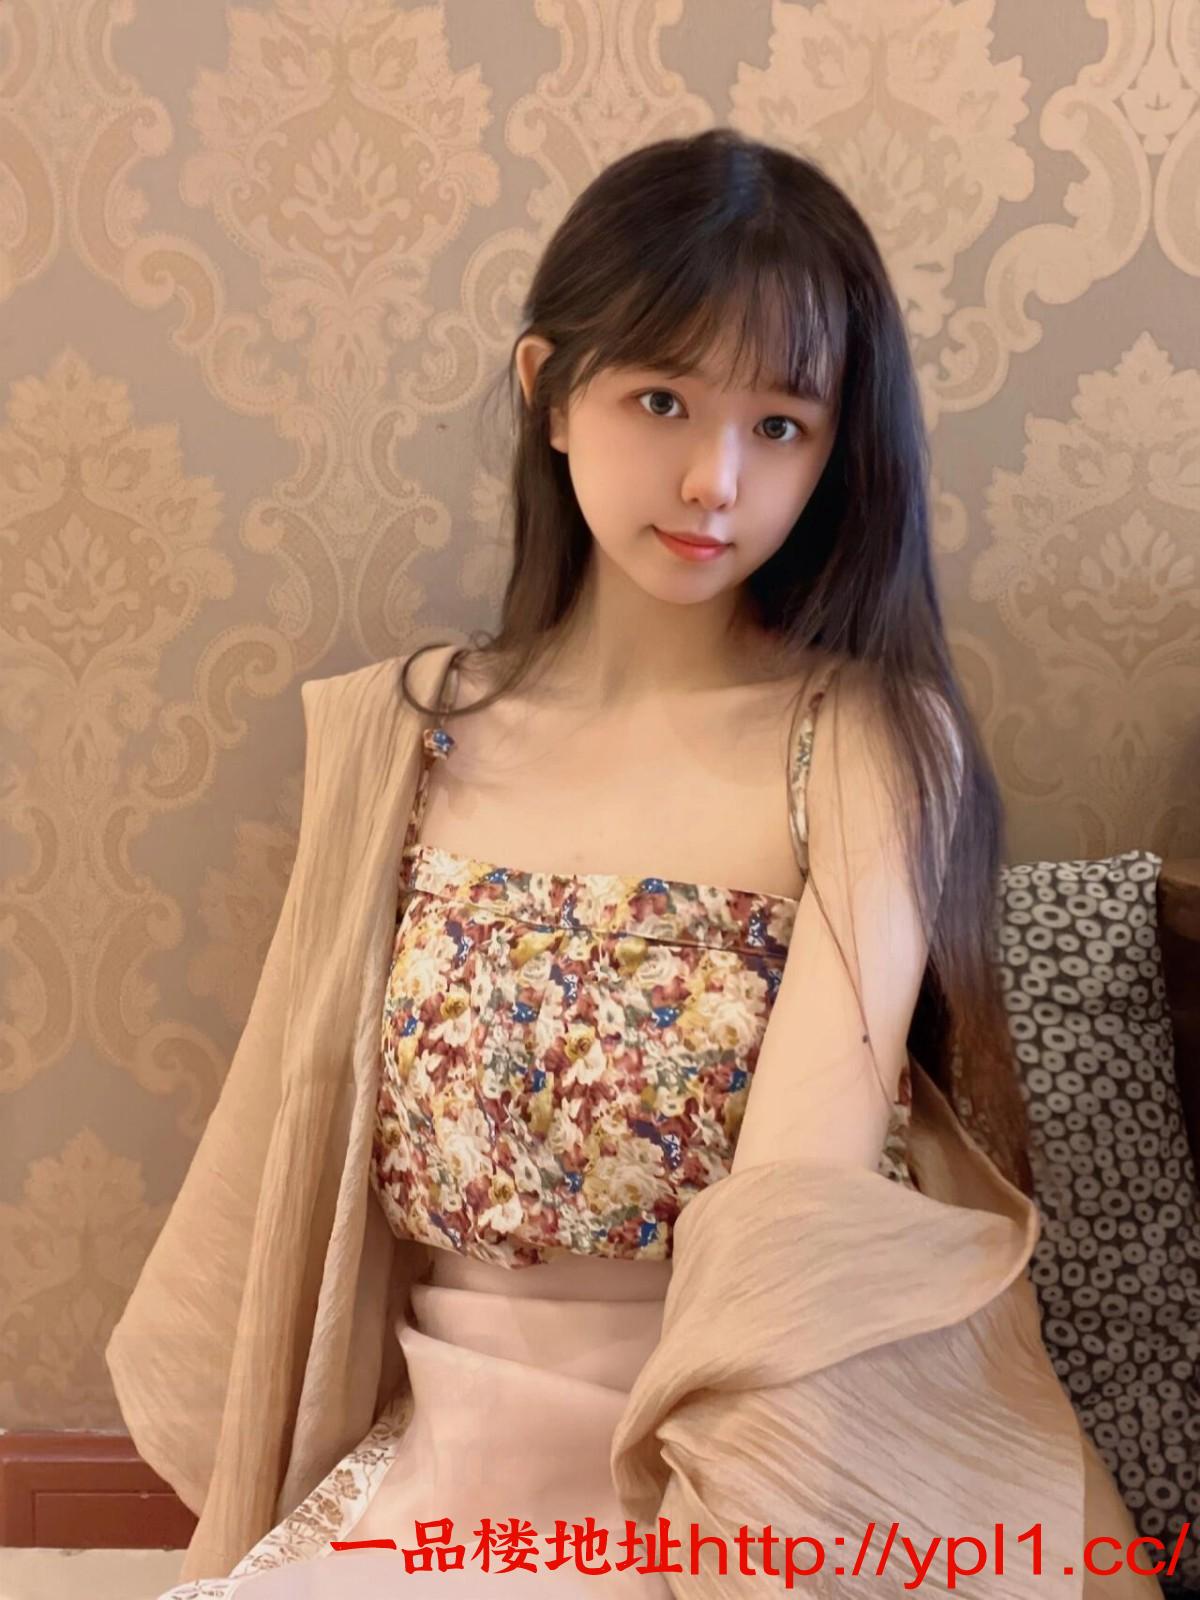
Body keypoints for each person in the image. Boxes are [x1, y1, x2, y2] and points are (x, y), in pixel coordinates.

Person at [108, 129, 1158, 1598]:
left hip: (766, 1445)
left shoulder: (862, 739)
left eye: (779, 425)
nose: (714, 479)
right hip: (449, 1447)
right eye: (661, 399)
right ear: (550, 393)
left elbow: (796, 1216)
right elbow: (298, 1158)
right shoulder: (407, 734)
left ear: (837, 450)